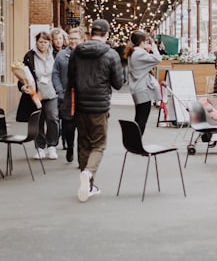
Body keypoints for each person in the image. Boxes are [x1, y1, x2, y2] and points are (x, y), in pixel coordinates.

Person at [67, 18, 124, 202]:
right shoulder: (111, 54)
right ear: (107, 34)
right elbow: (118, 83)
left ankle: (89, 185)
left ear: (91, 33)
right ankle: (89, 172)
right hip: (99, 107)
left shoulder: (76, 52)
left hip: (81, 106)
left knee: (84, 144)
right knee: (99, 145)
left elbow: (70, 78)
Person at [20, 31, 59, 160]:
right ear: (36, 42)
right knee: (38, 121)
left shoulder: (55, 55)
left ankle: (52, 146)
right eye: (40, 42)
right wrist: (22, 86)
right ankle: (40, 147)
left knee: (53, 118)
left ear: (49, 43)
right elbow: (23, 75)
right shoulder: (30, 56)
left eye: (45, 42)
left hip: (52, 93)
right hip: (36, 94)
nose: (43, 44)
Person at [53, 26, 82, 164]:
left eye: (75, 38)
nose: (72, 41)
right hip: (66, 97)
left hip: (82, 97)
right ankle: (70, 147)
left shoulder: (86, 54)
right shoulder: (61, 55)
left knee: (82, 129)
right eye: (70, 38)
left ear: (82, 39)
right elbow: (55, 73)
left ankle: (81, 155)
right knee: (68, 128)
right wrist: (59, 91)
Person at [126, 29, 162, 136]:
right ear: (141, 41)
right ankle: (136, 142)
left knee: (139, 117)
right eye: (146, 41)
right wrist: (154, 48)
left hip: (137, 88)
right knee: (142, 119)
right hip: (142, 89)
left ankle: (134, 142)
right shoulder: (139, 53)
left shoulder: (133, 52)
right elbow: (158, 59)